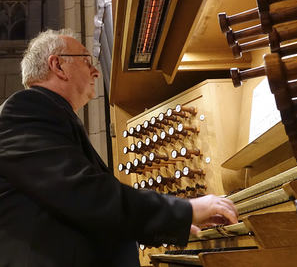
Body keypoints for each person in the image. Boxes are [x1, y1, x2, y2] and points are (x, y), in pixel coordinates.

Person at [0, 29, 238, 267]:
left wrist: (177, 220)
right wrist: (184, 210)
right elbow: (85, 194)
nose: (95, 70)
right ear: (58, 66)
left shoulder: (51, 114)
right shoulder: (25, 109)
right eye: (86, 60)